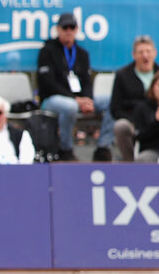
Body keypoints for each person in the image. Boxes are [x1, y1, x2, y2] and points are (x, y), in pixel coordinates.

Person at [37, 13, 114, 162]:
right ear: (58, 29)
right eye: (65, 27)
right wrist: (76, 100)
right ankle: (66, 149)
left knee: (112, 100)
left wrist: (88, 100)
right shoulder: (47, 51)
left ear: (77, 29)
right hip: (53, 100)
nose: (68, 31)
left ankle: (103, 147)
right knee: (70, 106)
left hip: (79, 99)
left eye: (72, 27)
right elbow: (48, 83)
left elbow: (86, 81)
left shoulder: (82, 54)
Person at [111, 35, 158, 161]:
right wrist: (134, 120)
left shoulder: (158, 73)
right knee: (121, 126)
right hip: (132, 120)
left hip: (153, 121)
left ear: (155, 53)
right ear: (134, 55)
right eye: (141, 52)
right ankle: (129, 163)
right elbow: (115, 108)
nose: (145, 55)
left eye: (148, 51)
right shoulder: (122, 75)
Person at [132, 72, 159, 163]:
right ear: (152, 87)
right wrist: (156, 121)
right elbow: (140, 136)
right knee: (143, 159)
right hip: (151, 150)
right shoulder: (142, 107)